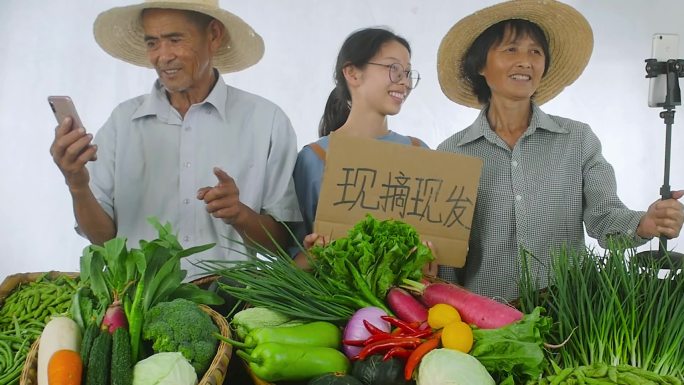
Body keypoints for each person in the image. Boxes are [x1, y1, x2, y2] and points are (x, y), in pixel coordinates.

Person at [435, 0, 684, 301]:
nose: (525, 61)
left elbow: (604, 217)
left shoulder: (577, 140)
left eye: (535, 52)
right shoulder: (452, 153)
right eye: (511, 49)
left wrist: (645, 223)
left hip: (567, 316)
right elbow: (447, 257)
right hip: (483, 320)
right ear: (480, 65)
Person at [49, 0, 301, 279]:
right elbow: (103, 240)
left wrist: (240, 215)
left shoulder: (266, 121)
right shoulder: (123, 123)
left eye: (175, 39)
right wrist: (77, 184)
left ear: (214, 35)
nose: (163, 56)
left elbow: (282, 243)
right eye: (152, 43)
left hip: (232, 307)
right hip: (138, 307)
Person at [291, 27, 441, 277]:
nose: (404, 82)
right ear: (352, 73)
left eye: (407, 73)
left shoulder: (420, 153)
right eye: (393, 69)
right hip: (333, 310)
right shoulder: (315, 157)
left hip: (410, 310)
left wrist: (428, 267)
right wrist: (313, 255)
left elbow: (440, 244)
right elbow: (289, 259)